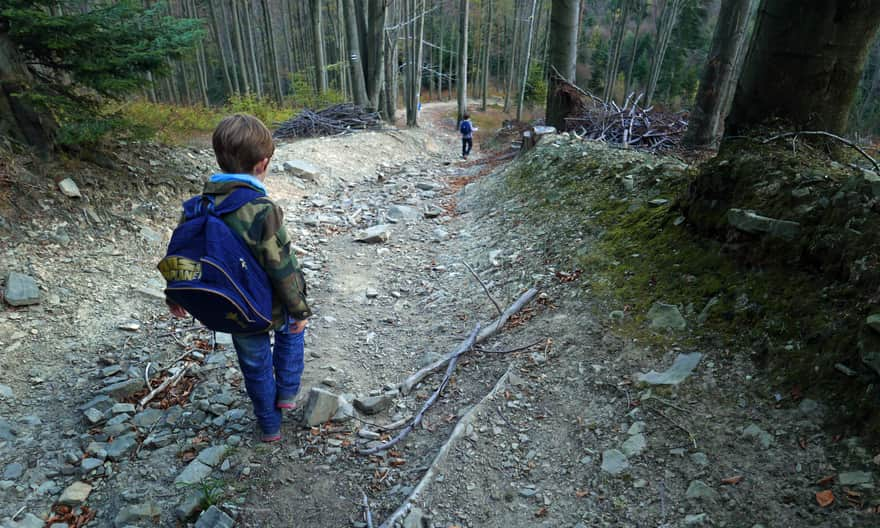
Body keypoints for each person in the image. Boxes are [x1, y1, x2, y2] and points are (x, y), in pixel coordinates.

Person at [167, 114, 311, 443]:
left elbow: (183, 251)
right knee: (292, 328)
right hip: (269, 304)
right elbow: (281, 265)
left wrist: (174, 296)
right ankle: (287, 391)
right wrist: (300, 309)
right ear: (263, 164)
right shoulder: (261, 208)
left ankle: (269, 425)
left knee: (253, 362)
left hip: (233, 308)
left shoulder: (196, 207)